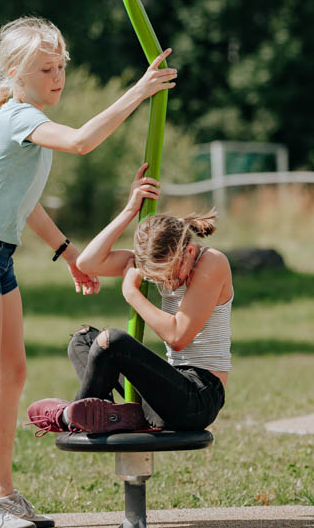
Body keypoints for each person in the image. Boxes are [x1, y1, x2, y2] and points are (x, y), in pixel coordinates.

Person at [0, 17, 177, 528]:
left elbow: (25, 204)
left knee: (14, 373)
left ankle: (2, 492)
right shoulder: (17, 117)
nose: (57, 76)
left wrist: (68, 252)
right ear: (15, 74)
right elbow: (83, 142)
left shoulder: (29, 123)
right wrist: (137, 91)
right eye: (45, 68)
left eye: (61, 66)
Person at [26, 162, 232, 437]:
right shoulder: (160, 263)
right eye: (157, 278)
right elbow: (87, 263)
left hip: (197, 398)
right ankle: (107, 414)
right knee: (84, 339)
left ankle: (70, 416)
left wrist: (132, 293)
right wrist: (129, 209)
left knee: (113, 342)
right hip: (163, 397)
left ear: (190, 251)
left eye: (172, 274)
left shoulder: (211, 262)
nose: (167, 282)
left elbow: (178, 335)